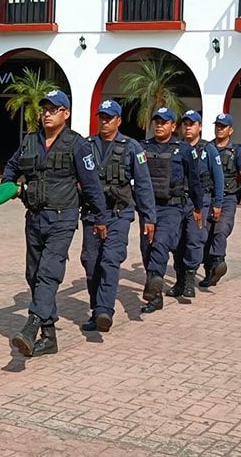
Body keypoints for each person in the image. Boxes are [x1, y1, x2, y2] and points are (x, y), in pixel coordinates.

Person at [2, 90, 109, 358]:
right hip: (34, 217)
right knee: (34, 274)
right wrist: (8, 185)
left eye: (54, 109)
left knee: (48, 273)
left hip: (63, 218)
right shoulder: (29, 141)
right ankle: (49, 337)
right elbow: (11, 168)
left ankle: (32, 325)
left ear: (66, 114)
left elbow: (92, 184)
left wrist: (99, 218)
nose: (47, 114)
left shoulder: (77, 144)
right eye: (44, 109)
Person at [79, 100, 157, 332]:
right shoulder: (86, 145)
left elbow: (143, 185)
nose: (104, 121)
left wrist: (149, 217)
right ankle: (96, 310)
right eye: (101, 117)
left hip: (118, 214)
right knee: (91, 263)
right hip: (93, 215)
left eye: (109, 118)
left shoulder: (132, 147)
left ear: (118, 120)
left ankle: (105, 310)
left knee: (110, 260)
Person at [139, 107, 203, 314]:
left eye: (164, 122)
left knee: (160, 242)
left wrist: (198, 207)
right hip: (148, 207)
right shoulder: (143, 147)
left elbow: (194, 180)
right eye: (156, 121)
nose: (159, 125)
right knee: (147, 248)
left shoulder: (184, 149)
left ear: (172, 126)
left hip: (172, 207)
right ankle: (155, 296)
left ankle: (154, 280)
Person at [167, 110, 224, 299]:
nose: (188, 127)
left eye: (192, 124)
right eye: (185, 124)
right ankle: (179, 280)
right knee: (177, 242)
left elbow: (218, 177)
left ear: (199, 127)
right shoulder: (176, 148)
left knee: (194, 239)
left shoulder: (208, 149)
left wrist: (218, 203)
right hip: (177, 201)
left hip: (199, 202)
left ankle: (190, 281)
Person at [201, 113, 241, 287]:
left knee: (221, 228)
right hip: (208, 196)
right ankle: (211, 271)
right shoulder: (207, 148)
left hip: (228, 197)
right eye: (217, 126)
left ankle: (218, 261)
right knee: (205, 232)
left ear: (231, 130)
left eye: (223, 126)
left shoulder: (237, 152)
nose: (219, 129)